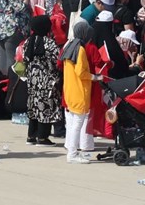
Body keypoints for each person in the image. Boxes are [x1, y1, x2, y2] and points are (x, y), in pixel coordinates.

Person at [62, 20, 98, 163]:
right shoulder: (80, 50)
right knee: (78, 124)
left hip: (70, 90)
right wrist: (95, 77)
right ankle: (72, 154)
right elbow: (81, 73)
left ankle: (72, 151)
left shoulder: (69, 46)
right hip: (79, 92)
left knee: (72, 124)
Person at [24, 15, 62, 146]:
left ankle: (31, 136)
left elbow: (24, 58)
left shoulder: (28, 41)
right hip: (46, 80)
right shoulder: (49, 43)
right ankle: (42, 137)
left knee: (33, 106)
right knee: (46, 106)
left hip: (32, 80)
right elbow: (57, 60)